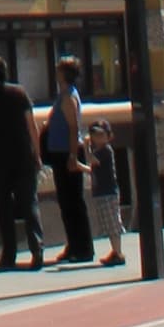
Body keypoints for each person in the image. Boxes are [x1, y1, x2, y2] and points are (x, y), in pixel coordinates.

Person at [0, 55, 48, 269]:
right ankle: (37, 249)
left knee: (4, 207)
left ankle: (9, 254)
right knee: (29, 202)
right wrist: (38, 154)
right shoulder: (19, 93)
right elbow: (32, 126)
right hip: (23, 155)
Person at [40, 65, 96, 263]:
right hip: (59, 153)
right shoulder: (63, 95)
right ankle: (73, 245)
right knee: (66, 203)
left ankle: (83, 249)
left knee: (73, 202)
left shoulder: (69, 97)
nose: (55, 73)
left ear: (65, 74)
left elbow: (73, 128)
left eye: (59, 70)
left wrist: (73, 156)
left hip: (67, 153)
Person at [88, 116, 128, 266]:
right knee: (107, 223)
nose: (97, 138)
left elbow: (91, 160)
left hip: (108, 192)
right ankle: (115, 251)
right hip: (101, 192)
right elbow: (91, 167)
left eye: (101, 134)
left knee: (113, 224)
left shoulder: (105, 151)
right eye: (94, 134)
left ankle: (118, 252)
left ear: (108, 136)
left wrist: (85, 146)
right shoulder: (98, 151)